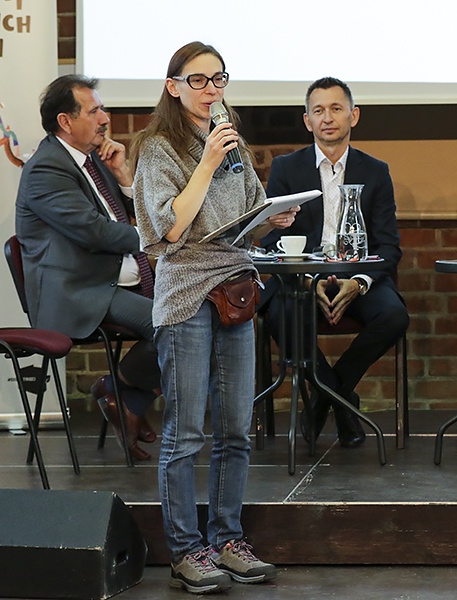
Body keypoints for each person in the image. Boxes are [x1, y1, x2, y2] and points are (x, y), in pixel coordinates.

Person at [132, 41, 291, 593]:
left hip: (236, 287)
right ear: (173, 86)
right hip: (187, 295)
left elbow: (247, 214)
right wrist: (206, 163)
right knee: (187, 432)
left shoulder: (235, 145)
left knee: (235, 429)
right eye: (197, 81)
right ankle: (184, 549)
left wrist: (274, 217)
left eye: (218, 79)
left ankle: (228, 539)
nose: (210, 90)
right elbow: (168, 230)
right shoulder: (157, 149)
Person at [258, 77, 409, 448]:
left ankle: (327, 397)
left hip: (357, 276)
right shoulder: (286, 169)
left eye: (336, 109)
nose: (328, 118)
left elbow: (388, 244)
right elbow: (273, 238)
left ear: (353, 116)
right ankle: (344, 402)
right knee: (278, 315)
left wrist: (357, 282)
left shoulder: (375, 171)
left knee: (394, 315)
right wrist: (308, 279)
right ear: (307, 120)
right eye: (319, 111)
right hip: (302, 278)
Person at [15, 74, 160, 461]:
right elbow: (96, 233)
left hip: (111, 281)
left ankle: (122, 396)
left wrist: (124, 177)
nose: (105, 118)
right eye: (95, 111)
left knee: (192, 310)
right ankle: (123, 396)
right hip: (79, 291)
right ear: (66, 121)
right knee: (173, 321)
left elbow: (123, 219)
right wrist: (160, 235)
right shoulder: (46, 169)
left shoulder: (91, 161)